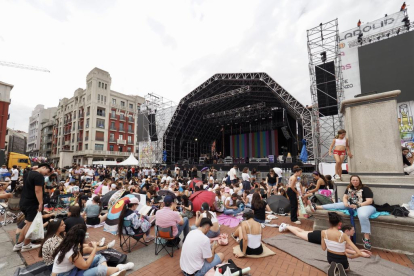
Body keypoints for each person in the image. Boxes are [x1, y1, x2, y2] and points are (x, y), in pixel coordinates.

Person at [312, 175, 375, 250]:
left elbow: (369, 201)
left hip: (364, 206)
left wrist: (357, 205)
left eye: (356, 180)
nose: (355, 182)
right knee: (336, 205)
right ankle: (316, 207)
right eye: (353, 180)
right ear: (351, 181)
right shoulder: (349, 188)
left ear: (359, 181)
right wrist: (345, 203)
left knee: (363, 215)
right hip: (351, 204)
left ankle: (366, 238)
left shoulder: (365, 188)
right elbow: (345, 197)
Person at [51, 224, 134, 276]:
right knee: (100, 269)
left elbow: (78, 257)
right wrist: (94, 248)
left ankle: (107, 272)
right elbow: (85, 265)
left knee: (99, 256)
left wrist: (89, 252)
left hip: (72, 269)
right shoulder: (72, 251)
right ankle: (117, 269)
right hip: (66, 274)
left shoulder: (68, 242)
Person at [40, 219, 116, 271]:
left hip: (62, 258)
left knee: (85, 247)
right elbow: (63, 255)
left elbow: (68, 247)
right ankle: (104, 247)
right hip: (55, 265)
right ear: (56, 228)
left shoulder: (59, 235)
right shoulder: (53, 241)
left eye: (63, 223)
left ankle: (100, 245)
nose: (65, 225)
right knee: (86, 249)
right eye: (62, 225)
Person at [14, 163, 52, 252]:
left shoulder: (28, 173)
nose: (45, 175)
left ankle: (18, 244)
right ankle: (26, 245)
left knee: (27, 223)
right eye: (46, 172)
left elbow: (27, 171)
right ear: (43, 167)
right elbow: (38, 190)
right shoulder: (38, 176)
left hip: (24, 202)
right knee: (30, 225)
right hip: (32, 203)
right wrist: (41, 203)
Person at [278, 223, 372, 258]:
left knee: (303, 231)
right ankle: (287, 226)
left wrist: (360, 251)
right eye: (353, 230)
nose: (354, 232)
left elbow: (348, 247)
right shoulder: (342, 236)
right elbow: (345, 249)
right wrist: (361, 253)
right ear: (347, 231)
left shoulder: (343, 234)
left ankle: (287, 226)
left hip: (321, 234)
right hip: (317, 237)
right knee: (299, 234)